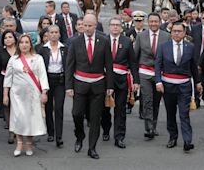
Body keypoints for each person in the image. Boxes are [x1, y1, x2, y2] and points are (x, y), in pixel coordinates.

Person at [65, 14, 114, 159]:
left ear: (95, 25)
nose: (87, 28)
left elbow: (109, 65)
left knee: (95, 118)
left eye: (90, 26)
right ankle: (79, 136)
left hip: (98, 85)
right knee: (76, 114)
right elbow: (69, 66)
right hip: (80, 84)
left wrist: (109, 85)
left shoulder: (104, 41)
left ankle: (92, 148)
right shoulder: (75, 42)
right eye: (84, 25)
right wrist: (69, 86)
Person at [155, 21, 202, 152]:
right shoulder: (163, 47)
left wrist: (198, 82)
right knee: (170, 113)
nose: (176, 33)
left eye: (179, 31)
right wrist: (158, 81)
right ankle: (173, 137)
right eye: (174, 31)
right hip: (168, 85)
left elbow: (193, 66)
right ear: (171, 32)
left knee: (184, 113)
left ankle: (187, 140)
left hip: (184, 85)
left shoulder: (190, 47)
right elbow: (158, 65)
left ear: (184, 33)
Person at [3, 34, 49, 157]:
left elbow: (43, 75)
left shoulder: (38, 58)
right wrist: (5, 95)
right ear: (18, 44)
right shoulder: (14, 59)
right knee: (19, 118)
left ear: (30, 44)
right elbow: (8, 78)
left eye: (26, 42)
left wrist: (44, 92)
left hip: (33, 94)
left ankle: (29, 143)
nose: (24, 45)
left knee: (30, 119)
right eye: (22, 42)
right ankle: (19, 143)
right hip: (17, 95)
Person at [101, 17, 139, 149]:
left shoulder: (127, 42)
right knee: (104, 108)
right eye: (113, 25)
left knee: (120, 110)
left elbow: (133, 62)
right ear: (109, 27)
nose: (115, 27)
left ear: (121, 28)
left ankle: (119, 137)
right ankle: (106, 129)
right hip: (105, 79)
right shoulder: (103, 40)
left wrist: (136, 80)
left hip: (122, 79)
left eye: (118, 25)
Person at [134, 13, 170, 140]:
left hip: (159, 74)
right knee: (147, 100)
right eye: (151, 21)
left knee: (155, 101)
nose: (153, 24)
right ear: (147, 23)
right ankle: (148, 128)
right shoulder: (141, 36)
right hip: (145, 72)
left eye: (156, 21)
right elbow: (135, 56)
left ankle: (153, 125)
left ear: (160, 23)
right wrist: (135, 77)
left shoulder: (167, 36)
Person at [39, 25, 67, 148]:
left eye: (56, 32)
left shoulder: (65, 48)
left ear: (59, 34)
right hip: (47, 80)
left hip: (60, 80)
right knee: (48, 107)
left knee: (59, 107)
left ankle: (59, 136)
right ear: (48, 35)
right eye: (52, 32)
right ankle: (51, 131)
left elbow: (69, 65)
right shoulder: (42, 49)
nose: (54, 34)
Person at [0, 30, 17, 143]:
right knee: (7, 105)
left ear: (14, 38)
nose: (8, 39)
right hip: (4, 80)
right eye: (5, 38)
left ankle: (19, 129)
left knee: (17, 106)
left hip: (19, 81)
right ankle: (11, 131)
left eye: (10, 37)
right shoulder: (0, 51)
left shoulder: (20, 51)